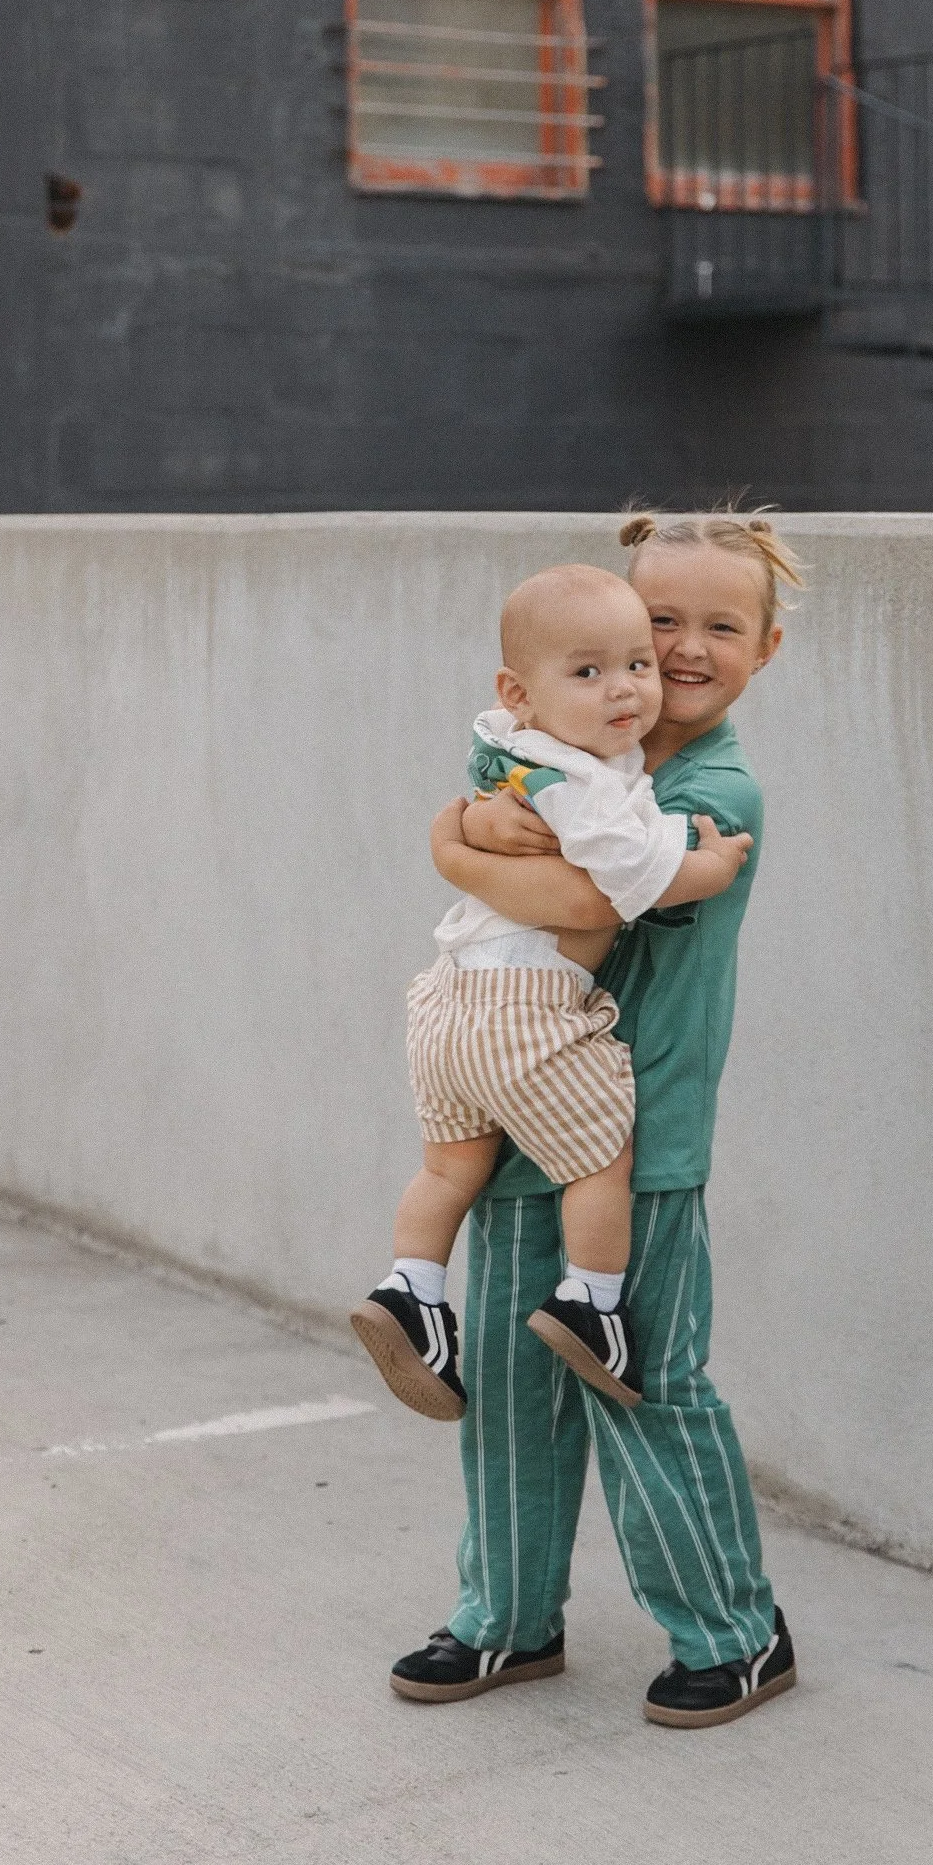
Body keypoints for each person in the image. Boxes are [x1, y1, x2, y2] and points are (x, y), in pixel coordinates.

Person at [389, 510, 803, 1730]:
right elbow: (488, 810)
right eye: (653, 622)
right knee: (514, 1388)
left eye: (715, 627)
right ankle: (504, 1620)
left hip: (639, 1143)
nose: (673, 652)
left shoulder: (713, 791)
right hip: (516, 1116)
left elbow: (581, 892)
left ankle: (733, 1631)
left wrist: (455, 844)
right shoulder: (552, 750)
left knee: (644, 1385)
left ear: (763, 651)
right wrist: (465, 822)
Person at [352, 565, 753, 1420]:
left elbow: (481, 782)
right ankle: (594, 1301)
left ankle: (411, 1286)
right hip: (525, 1008)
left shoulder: (510, 742)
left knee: (448, 1165)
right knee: (600, 1158)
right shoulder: (589, 783)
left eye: (635, 666)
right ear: (522, 690)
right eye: (589, 673)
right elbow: (622, 884)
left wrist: (461, 832)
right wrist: (708, 866)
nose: (624, 692)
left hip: (446, 1007)